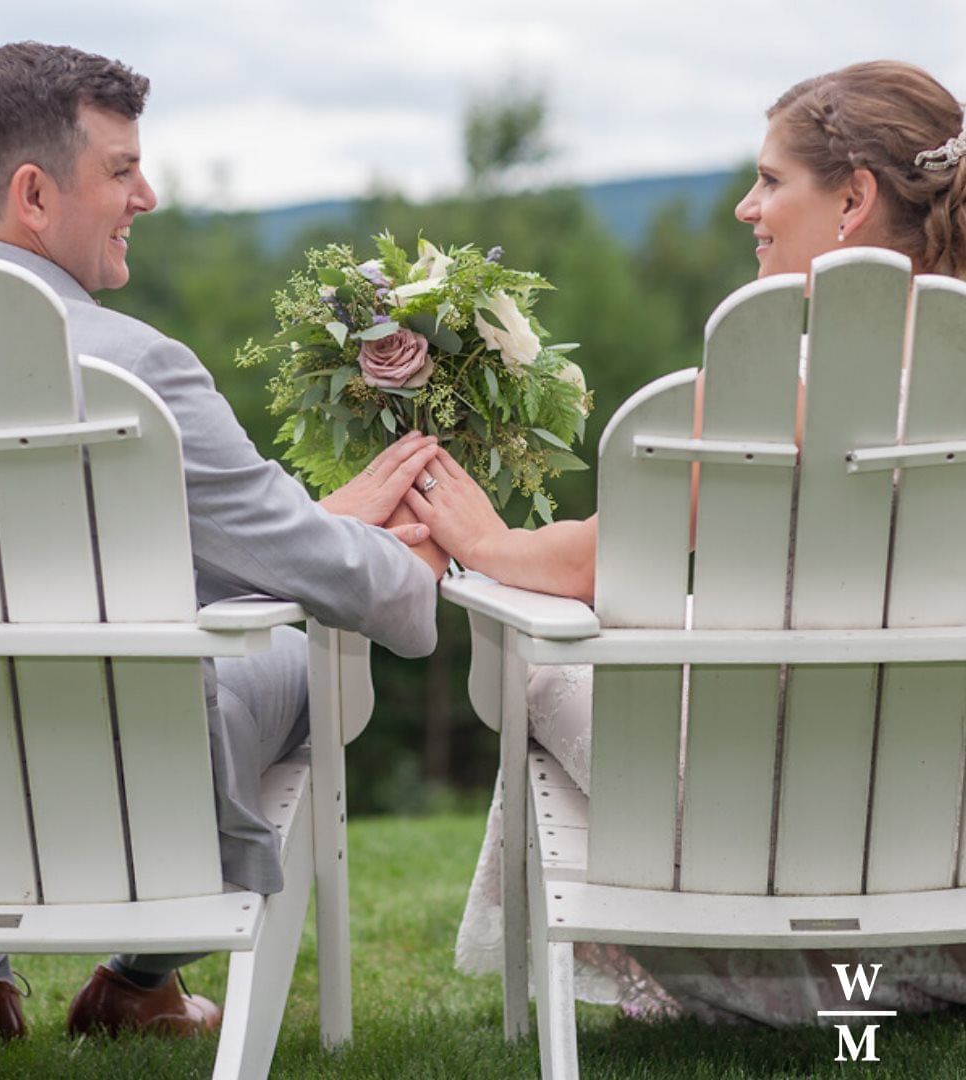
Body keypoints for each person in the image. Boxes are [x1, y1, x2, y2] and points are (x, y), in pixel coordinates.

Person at [410, 60, 966, 1024]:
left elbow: (599, 564)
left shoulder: (775, 377)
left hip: (775, 810)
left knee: (544, 676)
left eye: (770, 180)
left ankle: (720, 969)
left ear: (854, 200)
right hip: (939, 805)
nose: (749, 208)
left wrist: (487, 541)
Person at [0, 41, 447, 1043]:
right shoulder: (132, 369)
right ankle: (138, 981)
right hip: (115, 791)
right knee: (300, 659)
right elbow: (345, 588)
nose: (148, 194)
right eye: (121, 170)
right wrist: (406, 578)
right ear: (35, 195)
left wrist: (301, 531)